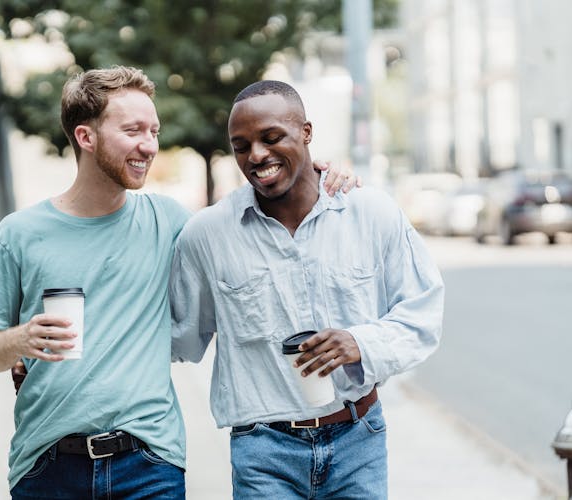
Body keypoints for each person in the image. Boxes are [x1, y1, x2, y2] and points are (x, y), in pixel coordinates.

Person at [0, 66, 358, 499]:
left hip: (149, 465)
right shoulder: (19, 234)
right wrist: (21, 340)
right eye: (134, 130)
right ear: (86, 137)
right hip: (46, 465)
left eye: (153, 131)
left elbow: (255, 212)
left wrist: (315, 172)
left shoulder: (171, 223)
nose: (149, 145)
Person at [169, 80, 445, 499]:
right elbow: (178, 338)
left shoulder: (371, 213)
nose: (256, 155)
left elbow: (422, 316)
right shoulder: (207, 236)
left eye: (271, 137)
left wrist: (360, 342)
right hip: (263, 454)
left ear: (307, 133)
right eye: (241, 145)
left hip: (358, 439)